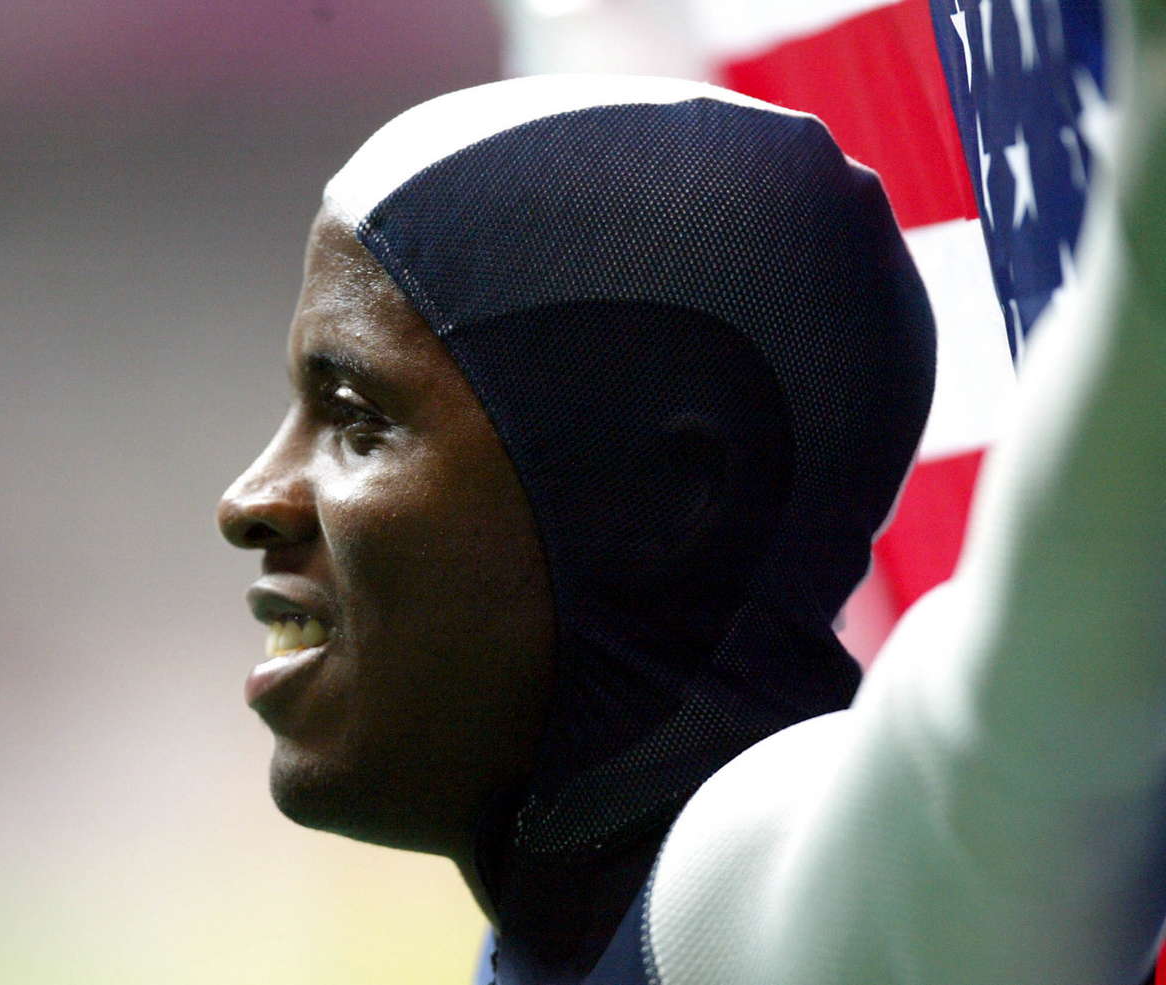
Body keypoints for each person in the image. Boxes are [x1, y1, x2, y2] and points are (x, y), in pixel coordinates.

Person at [216, 2, 1166, 981]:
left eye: (356, 419)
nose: (247, 500)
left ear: (662, 502)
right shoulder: (576, 924)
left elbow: (1049, 665)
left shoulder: (766, 909)